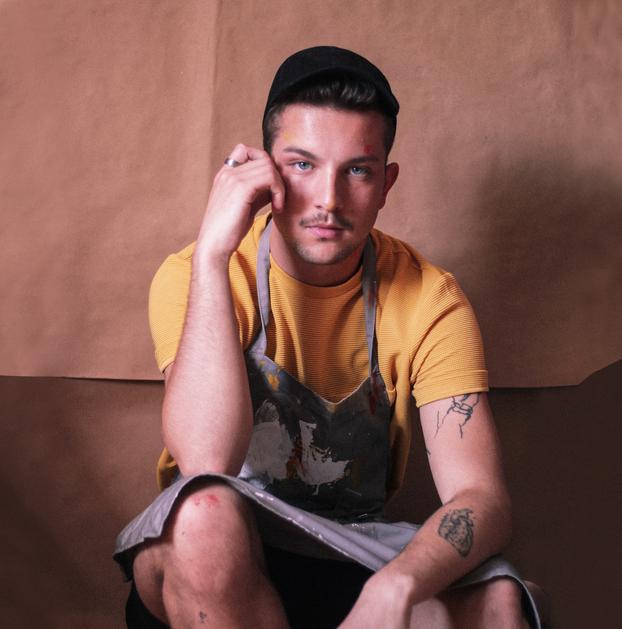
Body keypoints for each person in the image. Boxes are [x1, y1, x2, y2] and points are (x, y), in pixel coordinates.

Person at [114, 46, 542, 628]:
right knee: (205, 510)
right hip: (212, 553)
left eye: (357, 170)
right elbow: (207, 460)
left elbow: (482, 499)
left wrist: (396, 586)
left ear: (386, 182)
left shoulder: (429, 298)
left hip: (350, 548)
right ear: (265, 171)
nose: (328, 200)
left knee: (500, 603)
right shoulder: (199, 273)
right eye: (302, 165)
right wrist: (213, 255)